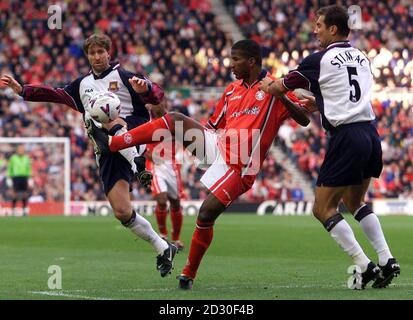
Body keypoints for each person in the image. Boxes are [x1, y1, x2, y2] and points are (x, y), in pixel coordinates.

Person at [88, 39, 313, 290]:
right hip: (218, 147)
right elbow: (212, 127)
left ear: (251, 61)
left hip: (242, 165)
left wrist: (280, 94)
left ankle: (187, 274)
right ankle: (115, 142)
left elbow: (304, 119)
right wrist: (187, 140)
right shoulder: (231, 90)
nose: (231, 65)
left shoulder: (274, 86)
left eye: (236, 59)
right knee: (174, 120)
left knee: (206, 214)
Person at [0, 34, 177, 277]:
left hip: (132, 135)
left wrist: (146, 89)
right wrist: (23, 90)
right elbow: (56, 94)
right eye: (92, 53)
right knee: (122, 212)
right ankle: (163, 247)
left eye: (100, 52)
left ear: (108, 52)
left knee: (104, 114)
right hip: (106, 150)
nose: (97, 57)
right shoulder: (82, 85)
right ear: (88, 56)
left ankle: (138, 165)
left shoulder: (125, 77)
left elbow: (157, 97)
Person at [259, 5, 400, 289]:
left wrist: (266, 84)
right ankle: (386, 260)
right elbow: (346, 93)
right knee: (355, 202)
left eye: (319, 25)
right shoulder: (362, 57)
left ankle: (365, 265)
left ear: (333, 29)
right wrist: (321, 104)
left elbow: (279, 88)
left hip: (346, 137)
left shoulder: (317, 60)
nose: (315, 30)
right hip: (370, 133)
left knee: (322, 208)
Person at [146, 102, 185, 251]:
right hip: (155, 165)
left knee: (175, 202)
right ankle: (162, 235)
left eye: (158, 103)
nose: (154, 107)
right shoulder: (147, 121)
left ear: (164, 105)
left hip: (172, 166)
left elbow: (186, 138)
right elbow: (140, 145)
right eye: (153, 104)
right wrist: (148, 155)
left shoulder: (173, 121)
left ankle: (176, 239)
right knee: (162, 200)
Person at [7, 145, 32, 216]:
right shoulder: (13, 158)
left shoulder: (26, 158)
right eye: (20, 149)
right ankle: (13, 210)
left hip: (24, 177)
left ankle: (24, 210)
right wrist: (9, 177)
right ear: (17, 150)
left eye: (22, 149)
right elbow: (10, 168)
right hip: (16, 177)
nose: (21, 151)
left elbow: (29, 168)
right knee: (15, 194)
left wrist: (30, 177)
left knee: (25, 194)